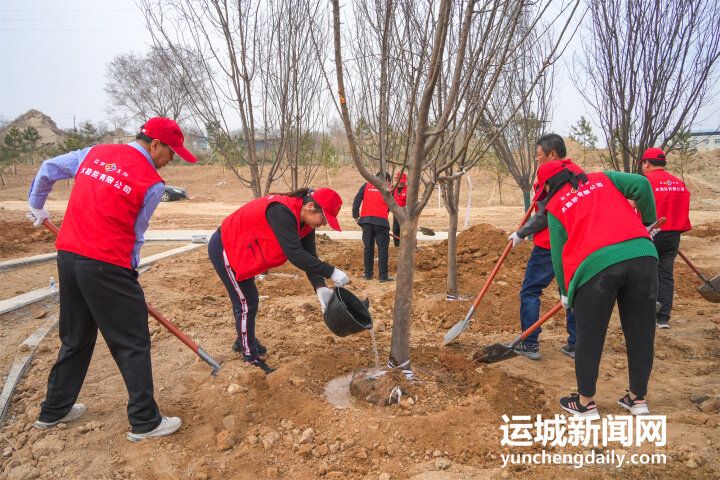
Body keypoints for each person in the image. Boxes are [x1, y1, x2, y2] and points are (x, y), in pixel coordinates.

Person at [27, 117, 197, 442]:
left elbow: (49, 167)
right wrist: (128, 273)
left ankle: (54, 410)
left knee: (76, 336)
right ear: (155, 144)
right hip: (107, 264)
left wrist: (37, 207)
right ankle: (145, 421)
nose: (171, 159)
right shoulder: (152, 183)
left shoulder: (94, 153)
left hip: (68, 255)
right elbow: (136, 234)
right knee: (132, 341)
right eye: (171, 152)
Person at [536, 160, 658, 420]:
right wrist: (648, 223)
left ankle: (586, 404)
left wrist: (565, 291)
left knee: (590, 336)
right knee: (641, 332)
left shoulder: (556, 206)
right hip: (643, 256)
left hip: (596, 268)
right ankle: (637, 400)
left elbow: (558, 254)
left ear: (548, 185)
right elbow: (642, 183)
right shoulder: (603, 178)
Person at [209, 187, 350, 374]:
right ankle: (250, 358)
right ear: (310, 207)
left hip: (244, 250)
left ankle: (243, 340)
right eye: (324, 218)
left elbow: (309, 256)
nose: (324, 224)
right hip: (227, 247)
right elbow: (295, 254)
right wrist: (332, 272)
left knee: (249, 299)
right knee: (246, 303)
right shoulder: (282, 211)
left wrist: (320, 286)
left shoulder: (306, 222)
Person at [507, 134, 578, 360]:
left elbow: (546, 215)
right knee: (572, 292)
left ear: (552, 154)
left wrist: (521, 233)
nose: (537, 159)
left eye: (539, 155)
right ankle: (577, 344)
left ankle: (529, 344)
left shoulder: (550, 176)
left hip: (548, 245)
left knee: (530, 291)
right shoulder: (579, 173)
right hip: (576, 243)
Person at [639, 147, 691, 329]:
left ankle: (647, 314)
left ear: (647, 163)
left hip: (650, 233)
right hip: (672, 236)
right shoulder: (678, 183)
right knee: (666, 275)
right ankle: (663, 318)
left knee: (646, 274)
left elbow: (633, 205)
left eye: (643, 164)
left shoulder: (646, 181)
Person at [352, 173, 394, 282]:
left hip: (366, 221)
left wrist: (355, 215)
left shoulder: (366, 185)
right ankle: (383, 276)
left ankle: (368, 274)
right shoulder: (389, 189)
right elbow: (392, 207)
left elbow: (357, 200)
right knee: (383, 249)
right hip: (381, 222)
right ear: (387, 180)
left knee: (368, 248)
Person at [391, 173, 407, 247]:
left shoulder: (408, 189)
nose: (403, 183)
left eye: (404, 181)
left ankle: (404, 243)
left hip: (404, 213)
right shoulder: (393, 189)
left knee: (404, 229)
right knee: (396, 228)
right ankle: (396, 244)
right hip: (396, 213)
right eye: (401, 181)